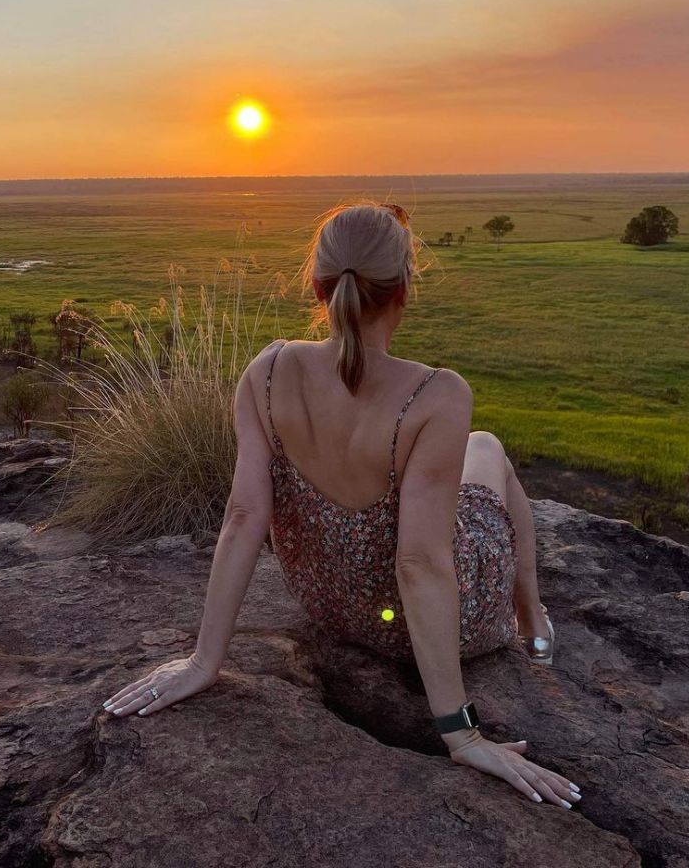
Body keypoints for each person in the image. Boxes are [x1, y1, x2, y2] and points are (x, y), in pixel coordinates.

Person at [102, 200, 582, 811]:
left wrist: (204, 662)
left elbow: (244, 518)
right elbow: (419, 564)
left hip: (332, 608)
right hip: (451, 626)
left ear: (316, 285)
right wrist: (461, 735)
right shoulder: (438, 394)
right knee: (486, 448)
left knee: (477, 451)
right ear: (404, 288)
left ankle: (533, 618)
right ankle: (532, 619)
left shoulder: (268, 372)